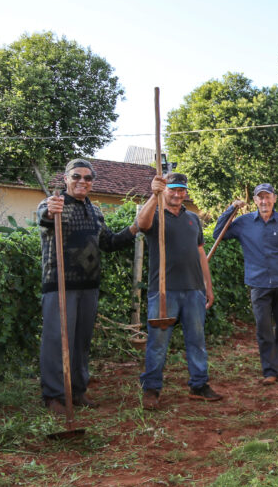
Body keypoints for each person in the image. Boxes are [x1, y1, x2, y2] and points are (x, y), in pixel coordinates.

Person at [36, 159, 140, 415]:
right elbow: (45, 216)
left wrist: (135, 228)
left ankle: (78, 390)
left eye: (87, 178)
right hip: (59, 285)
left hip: (89, 286)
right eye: (76, 177)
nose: (82, 181)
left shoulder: (96, 212)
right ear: (66, 179)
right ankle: (55, 396)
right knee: (56, 341)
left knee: (81, 342)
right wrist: (51, 210)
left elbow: (109, 242)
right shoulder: (54, 205)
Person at [135, 173, 222, 409]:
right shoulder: (155, 215)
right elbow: (140, 225)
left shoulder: (193, 218)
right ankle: (152, 389)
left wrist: (208, 286)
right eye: (172, 189)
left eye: (181, 190)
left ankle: (199, 385)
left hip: (194, 290)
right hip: (163, 291)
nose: (177, 194)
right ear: (164, 190)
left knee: (197, 340)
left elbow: (201, 254)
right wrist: (153, 195)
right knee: (158, 342)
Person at [214, 183, 278, 384]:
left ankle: (277, 364)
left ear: (274, 199)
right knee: (263, 327)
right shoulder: (244, 222)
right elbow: (218, 234)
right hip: (258, 282)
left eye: (267, 197)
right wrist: (231, 210)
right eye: (260, 197)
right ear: (255, 201)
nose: (264, 201)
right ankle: (270, 371)